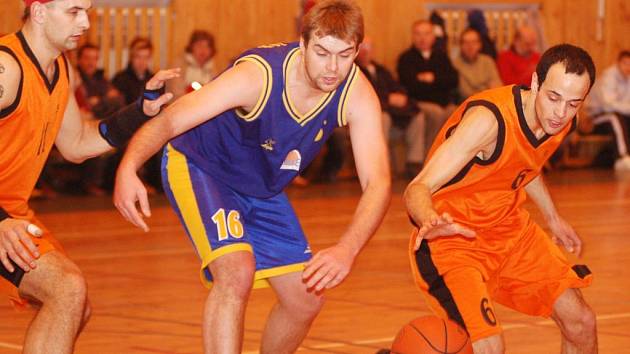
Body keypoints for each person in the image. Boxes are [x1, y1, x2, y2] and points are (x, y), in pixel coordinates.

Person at [113, 1, 391, 353]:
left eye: (345, 55)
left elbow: (378, 181)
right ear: (302, 44)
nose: (333, 67)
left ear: (357, 51)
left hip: (261, 186)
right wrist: (128, 166)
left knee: (305, 300)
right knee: (236, 272)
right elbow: (171, 119)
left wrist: (347, 249)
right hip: (202, 165)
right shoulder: (258, 75)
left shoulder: (356, 92)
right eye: (322, 53)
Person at [0, 1, 177, 352]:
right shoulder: (6, 67)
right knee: (66, 290)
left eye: (87, 11)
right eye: (73, 11)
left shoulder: (59, 68)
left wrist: (140, 112)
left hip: (11, 214)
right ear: (38, 12)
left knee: (73, 304)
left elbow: (77, 144)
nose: (84, 21)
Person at [404, 44, 597, 353]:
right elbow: (417, 187)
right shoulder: (488, 121)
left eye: (574, 103)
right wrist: (429, 219)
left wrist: (552, 217)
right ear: (535, 83)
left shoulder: (560, 121)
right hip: (455, 237)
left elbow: (525, 164)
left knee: (581, 322)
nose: (561, 113)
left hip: (510, 231)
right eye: (553, 98)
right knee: (489, 347)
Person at [397, 19, 458, 174]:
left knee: (457, 112)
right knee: (436, 113)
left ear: (433, 37)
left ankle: (453, 161)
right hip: (418, 102)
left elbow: (453, 80)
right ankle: (429, 159)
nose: (422, 38)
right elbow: (411, 85)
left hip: (444, 102)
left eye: (426, 34)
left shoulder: (441, 56)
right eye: (418, 34)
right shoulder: (406, 58)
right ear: (412, 36)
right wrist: (437, 82)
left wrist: (432, 78)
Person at [356, 37, 422, 178]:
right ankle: (380, 165)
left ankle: (414, 163)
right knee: (383, 117)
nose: (365, 51)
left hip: (393, 115)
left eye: (368, 47)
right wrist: (388, 99)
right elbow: (361, 96)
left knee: (418, 115)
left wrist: (401, 98)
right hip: (369, 120)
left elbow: (397, 87)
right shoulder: (353, 71)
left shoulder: (381, 70)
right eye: (362, 47)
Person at [585, 50, 630, 171]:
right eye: (625, 63)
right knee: (614, 118)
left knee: (618, 117)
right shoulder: (609, 77)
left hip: (619, 117)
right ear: (618, 63)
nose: (628, 67)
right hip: (594, 119)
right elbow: (607, 106)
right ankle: (622, 157)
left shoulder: (629, 79)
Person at [452, 28, 502, 102]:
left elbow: (497, 86)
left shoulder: (488, 61)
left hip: (491, 102)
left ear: (479, 45)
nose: (470, 46)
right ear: (460, 45)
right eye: (466, 42)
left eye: (474, 42)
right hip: (466, 105)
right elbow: (465, 92)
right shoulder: (455, 64)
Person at [171, 30, 217, 98]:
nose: (203, 50)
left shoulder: (213, 67)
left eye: (207, 46)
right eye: (199, 45)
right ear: (191, 47)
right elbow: (176, 93)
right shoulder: (179, 64)